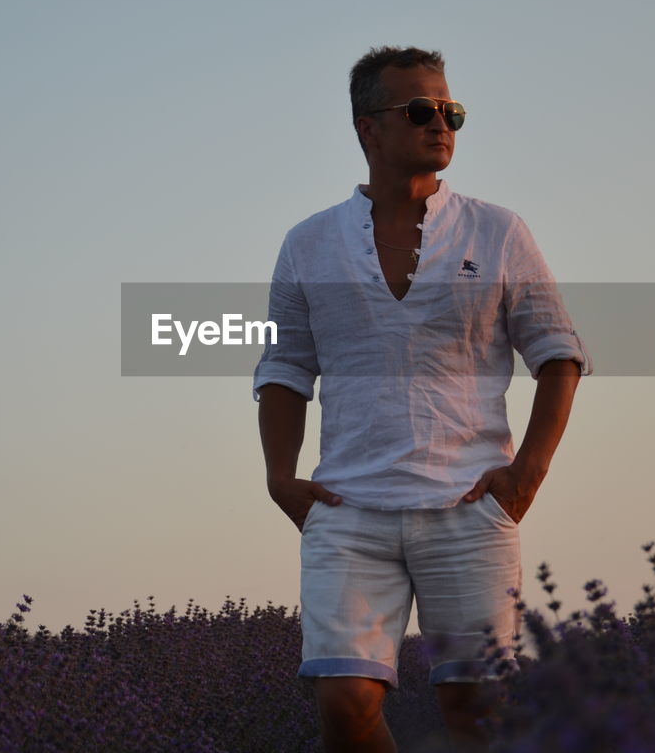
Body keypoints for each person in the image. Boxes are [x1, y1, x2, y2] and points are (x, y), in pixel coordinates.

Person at [253, 46, 592, 752]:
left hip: (469, 507)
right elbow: (285, 366)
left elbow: (558, 351)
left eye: (451, 112)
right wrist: (280, 478)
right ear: (367, 128)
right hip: (348, 511)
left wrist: (526, 474)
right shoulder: (308, 244)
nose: (441, 125)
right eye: (419, 110)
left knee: (477, 714)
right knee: (344, 706)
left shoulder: (498, 232)